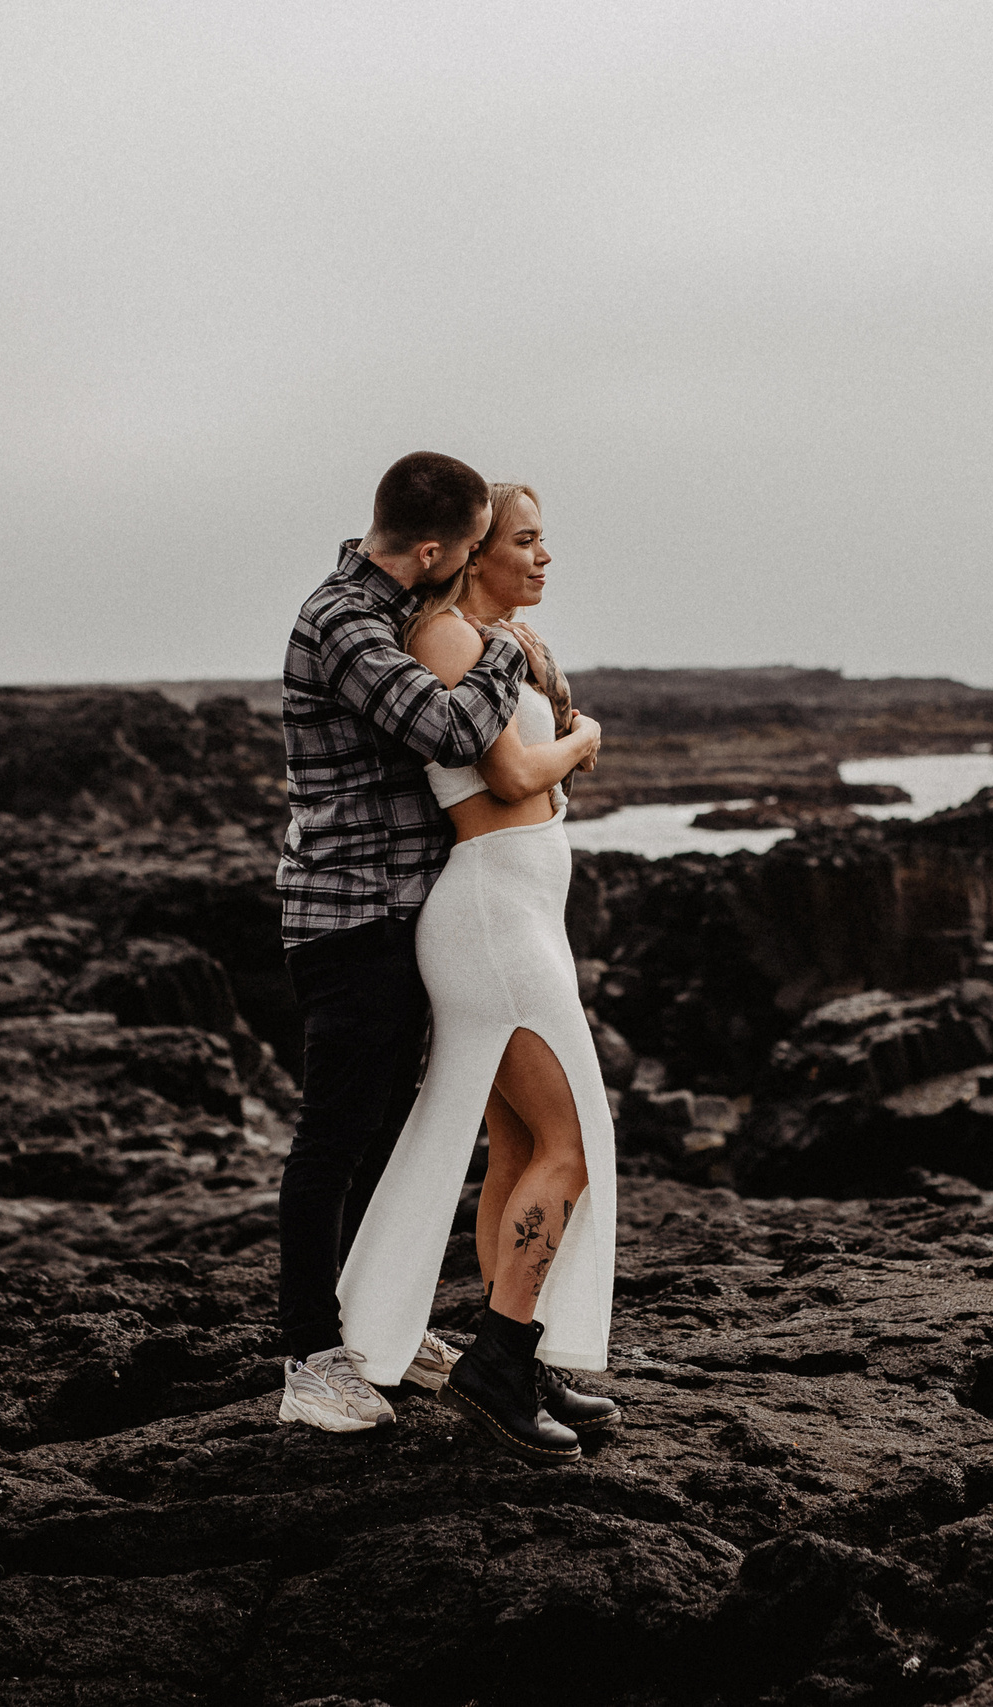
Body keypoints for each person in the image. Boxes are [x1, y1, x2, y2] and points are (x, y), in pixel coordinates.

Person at [336, 483, 620, 1463]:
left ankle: (517, 1351)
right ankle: (496, 1366)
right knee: (570, 1147)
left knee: (515, 1144)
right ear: (475, 549)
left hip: (518, 911)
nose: (545, 559)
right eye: (528, 542)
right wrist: (580, 741)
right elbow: (505, 777)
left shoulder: (496, 645)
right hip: (493, 916)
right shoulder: (448, 637)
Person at [272, 451, 530, 1434]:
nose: (468, 564)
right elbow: (451, 728)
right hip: (345, 917)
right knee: (333, 1141)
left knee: (390, 1137)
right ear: (429, 546)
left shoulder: (387, 614)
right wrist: (503, 644)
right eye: (466, 547)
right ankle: (310, 1360)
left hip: (396, 916)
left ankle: (377, 1327)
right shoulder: (342, 620)